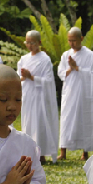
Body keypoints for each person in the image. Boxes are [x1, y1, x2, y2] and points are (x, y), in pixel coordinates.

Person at [57, 27, 93, 161]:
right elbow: (60, 72)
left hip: (83, 92)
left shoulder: (89, 55)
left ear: (81, 39)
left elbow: (92, 74)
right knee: (66, 119)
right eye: (69, 41)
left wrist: (76, 67)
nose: (72, 43)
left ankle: (85, 152)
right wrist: (70, 68)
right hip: (69, 91)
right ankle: (63, 151)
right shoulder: (66, 55)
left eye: (74, 40)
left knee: (84, 120)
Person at [17, 30, 59, 163]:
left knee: (40, 123)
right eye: (27, 42)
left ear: (39, 43)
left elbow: (48, 81)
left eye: (32, 43)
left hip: (40, 98)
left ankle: (41, 155)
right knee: (28, 123)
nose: (29, 45)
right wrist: (23, 77)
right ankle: (29, 153)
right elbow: (18, 77)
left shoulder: (45, 59)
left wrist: (32, 77)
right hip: (28, 96)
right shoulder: (24, 59)